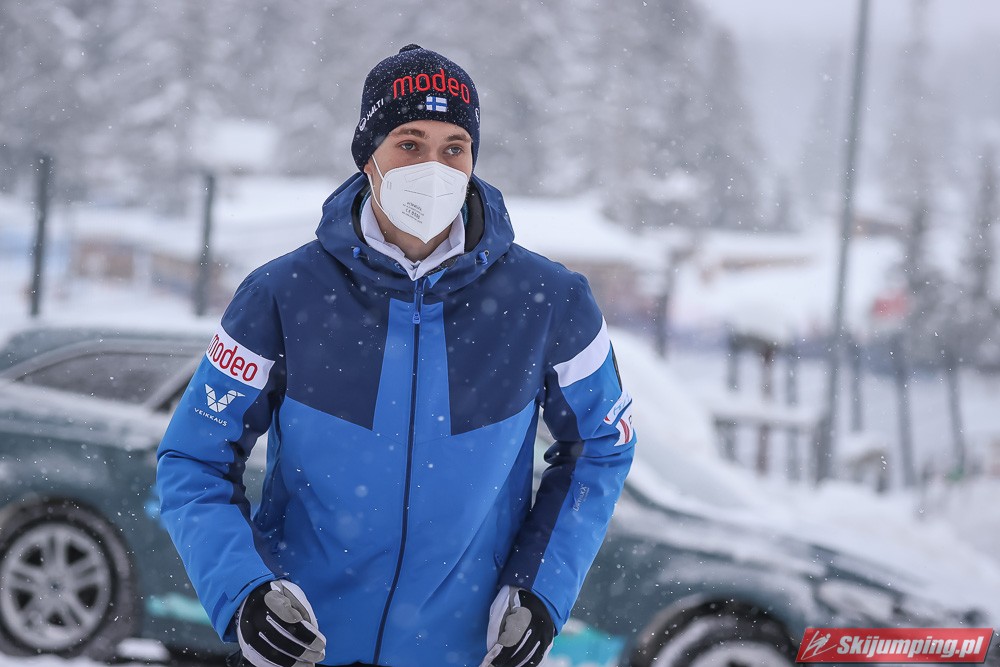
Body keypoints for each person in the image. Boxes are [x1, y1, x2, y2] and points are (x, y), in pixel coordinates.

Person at [156, 44, 636, 667]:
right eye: (410, 143)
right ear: (368, 156)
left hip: (463, 652)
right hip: (305, 648)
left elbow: (602, 447)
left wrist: (539, 588)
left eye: (454, 147)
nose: (434, 168)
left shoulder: (549, 300)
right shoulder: (282, 294)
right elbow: (193, 458)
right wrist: (245, 589)